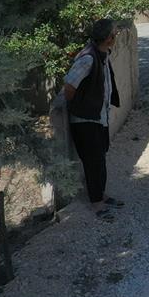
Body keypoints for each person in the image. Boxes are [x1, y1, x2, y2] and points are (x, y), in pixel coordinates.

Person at [62, 19, 123, 214]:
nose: (117, 36)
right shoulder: (88, 58)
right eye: (115, 33)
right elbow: (70, 86)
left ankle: (101, 194)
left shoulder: (102, 55)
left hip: (98, 117)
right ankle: (96, 202)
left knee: (100, 158)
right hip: (85, 120)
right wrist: (80, 106)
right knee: (92, 161)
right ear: (108, 38)